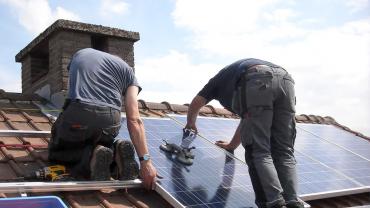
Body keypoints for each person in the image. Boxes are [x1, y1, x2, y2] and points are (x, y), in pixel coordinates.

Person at [185, 58, 303, 208]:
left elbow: (196, 102)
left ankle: (274, 203)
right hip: (286, 81)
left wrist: (190, 123)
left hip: (257, 78)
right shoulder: (233, 78)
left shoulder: (216, 82)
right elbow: (248, 122)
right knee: (284, 151)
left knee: (259, 150)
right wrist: (232, 145)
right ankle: (292, 202)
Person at [48, 48, 157, 190]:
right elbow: (134, 119)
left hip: (80, 112)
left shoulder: (81, 53)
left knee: (58, 149)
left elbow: (71, 93)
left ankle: (90, 158)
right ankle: (115, 151)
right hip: (111, 120)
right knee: (102, 142)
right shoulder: (128, 71)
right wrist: (145, 162)